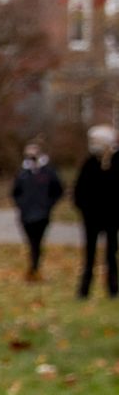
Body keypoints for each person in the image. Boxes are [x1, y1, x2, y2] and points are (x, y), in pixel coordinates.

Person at [73, 124, 117, 299]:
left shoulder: (116, 162)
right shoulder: (89, 163)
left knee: (111, 254)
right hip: (91, 218)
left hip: (112, 218)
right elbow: (79, 191)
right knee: (89, 255)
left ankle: (113, 288)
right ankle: (84, 290)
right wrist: (84, 209)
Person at [10, 140, 63, 282]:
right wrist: (22, 205)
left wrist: (48, 205)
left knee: (37, 243)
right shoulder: (22, 173)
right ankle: (33, 269)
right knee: (31, 243)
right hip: (26, 215)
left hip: (42, 215)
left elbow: (58, 190)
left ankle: (34, 269)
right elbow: (15, 193)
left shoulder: (48, 172)